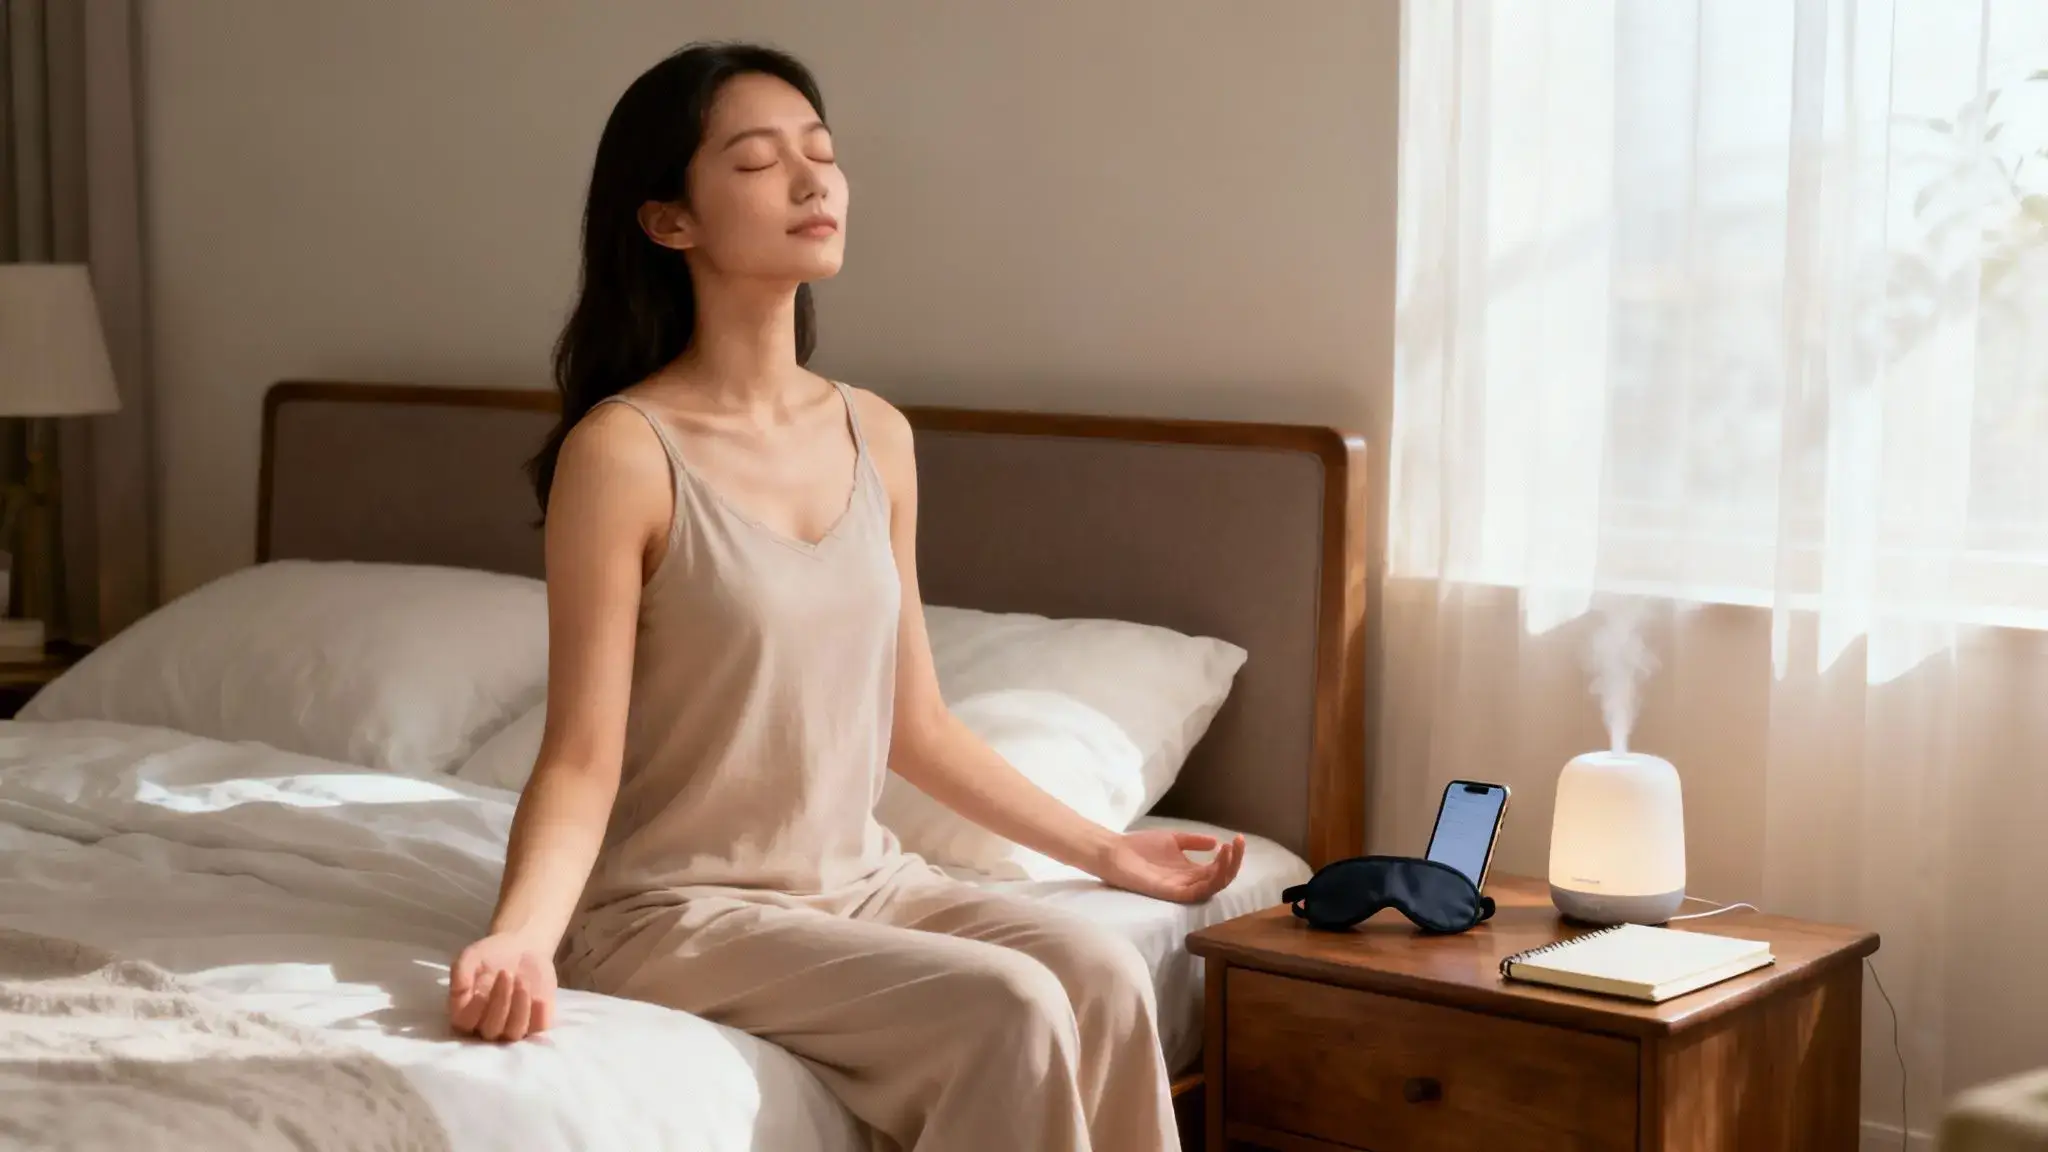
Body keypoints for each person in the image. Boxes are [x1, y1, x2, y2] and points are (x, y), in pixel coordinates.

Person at [444, 42, 1244, 1152]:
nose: (813, 182)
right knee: (1004, 1011)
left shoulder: (877, 434)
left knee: (1103, 975)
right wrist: (524, 937)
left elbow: (912, 724)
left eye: (821, 155)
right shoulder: (624, 452)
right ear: (670, 220)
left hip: (863, 886)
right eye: (760, 163)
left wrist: (1106, 855)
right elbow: (580, 756)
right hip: (676, 911)